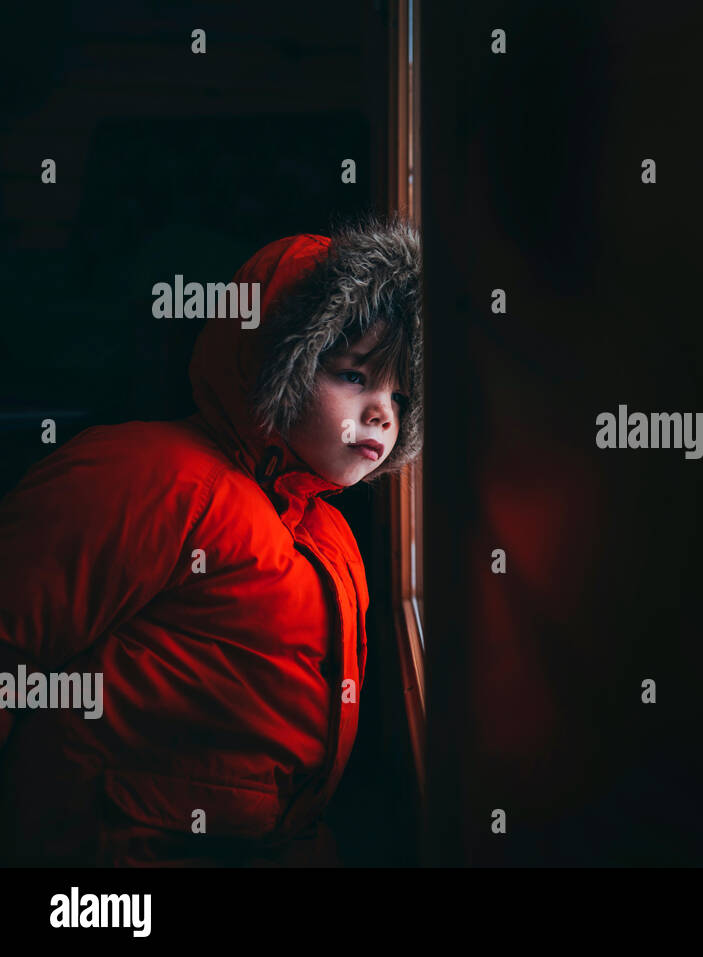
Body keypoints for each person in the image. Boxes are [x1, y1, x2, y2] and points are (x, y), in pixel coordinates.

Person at [0, 215, 422, 866]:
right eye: (354, 376)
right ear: (278, 360)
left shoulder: (330, 537)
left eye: (398, 392)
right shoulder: (147, 476)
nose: (382, 412)